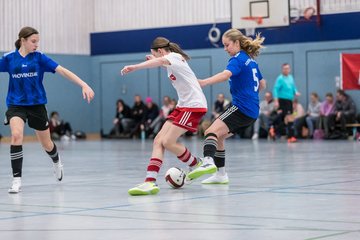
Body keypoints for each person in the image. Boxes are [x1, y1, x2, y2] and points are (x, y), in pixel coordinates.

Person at [0, 26, 95, 193]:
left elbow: (63, 71)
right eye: (33, 41)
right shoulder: (8, 58)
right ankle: (16, 180)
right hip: (16, 105)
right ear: (23, 40)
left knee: (46, 144)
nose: (36, 45)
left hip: (37, 105)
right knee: (16, 135)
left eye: (38, 41)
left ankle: (56, 161)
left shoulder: (40, 58)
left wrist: (84, 84)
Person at [121, 37, 207, 195]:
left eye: (155, 54)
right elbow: (161, 62)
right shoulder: (171, 59)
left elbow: (160, 62)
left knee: (168, 141)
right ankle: (150, 182)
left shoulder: (172, 57)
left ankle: (198, 164)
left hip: (193, 106)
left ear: (160, 51)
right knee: (158, 141)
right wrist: (155, 59)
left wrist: (135, 67)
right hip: (183, 106)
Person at [187, 28, 266, 184]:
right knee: (219, 136)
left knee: (209, 131)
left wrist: (204, 82)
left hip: (242, 108)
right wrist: (249, 92)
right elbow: (262, 84)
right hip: (252, 110)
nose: (225, 49)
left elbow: (225, 75)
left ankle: (208, 161)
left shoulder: (237, 59)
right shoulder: (251, 61)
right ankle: (221, 174)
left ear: (237, 43)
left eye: (227, 45)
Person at [272, 63, 301, 143]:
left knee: (287, 119)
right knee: (289, 117)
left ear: (290, 69)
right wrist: (276, 100)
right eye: (285, 68)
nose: (286, 70)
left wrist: (296, 92)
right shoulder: (280, 78)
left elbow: (293, 87)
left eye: (287, 68)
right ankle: (291, 137)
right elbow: (275, 89)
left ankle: (273, 130)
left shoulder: (291, 77)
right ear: (282, 69)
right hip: (283, 100)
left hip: (289, 100)